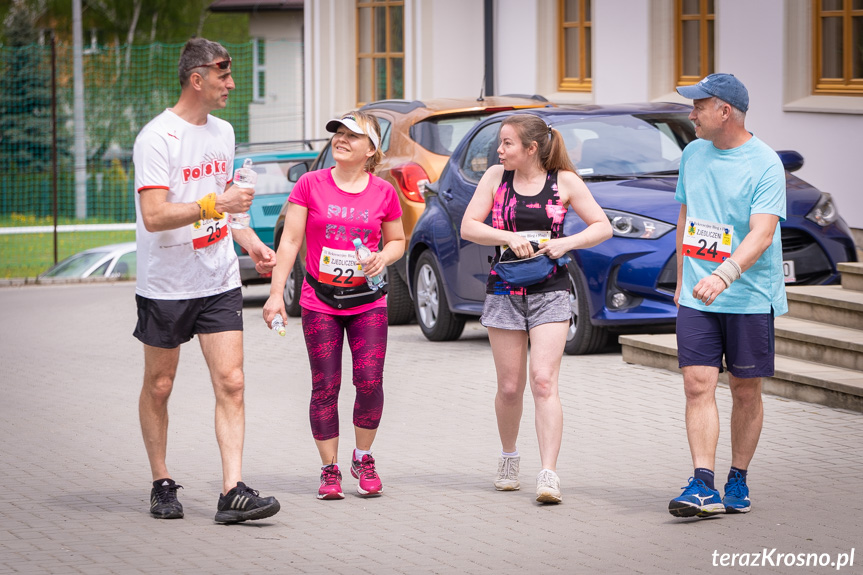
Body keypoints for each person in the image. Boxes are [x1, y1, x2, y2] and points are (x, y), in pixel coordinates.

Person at [132, 38, 281, 524]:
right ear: (197, 79)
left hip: (217, 278)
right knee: (159, 384)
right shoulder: (157, 138)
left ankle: (232, 490)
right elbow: (154, 216)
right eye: (223, 76)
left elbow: (227, 206)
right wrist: (216, 206)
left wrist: (252, 243)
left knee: (233, 382)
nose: (232, 85)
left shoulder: (223, 133)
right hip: (166, 285)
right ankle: (161, 482)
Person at [461, 114, 612, 503]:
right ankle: (509, 457)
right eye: (501, 143)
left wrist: (568, 243)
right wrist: (508, 236)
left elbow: (602, 226)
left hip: (551, 290)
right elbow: (469, 227)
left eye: (507, 143)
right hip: (505, 289)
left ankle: (548, 474)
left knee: (543, 381)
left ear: (531, 148)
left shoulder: (563, 182)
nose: (500, 149)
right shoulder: (495, 178)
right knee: (510, 387)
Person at [263, 111, 405, 500]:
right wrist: (277, 294)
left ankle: (364, 456)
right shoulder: (310, 184)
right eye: (337, 133)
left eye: (352, 135)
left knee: (370, 381)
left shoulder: (384, 192)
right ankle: (329, 469)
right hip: (320, 301)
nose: (341, 139)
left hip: (368, 302)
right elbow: (290, 242)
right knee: (326, 385)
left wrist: (383, 257)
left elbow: (397, 241)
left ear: (371, 149)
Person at [668, 73, 787, 518]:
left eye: (698, 105)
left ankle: (738, 476)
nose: (691, 113)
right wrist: (683, 280)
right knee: (697, 384)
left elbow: (762, 233)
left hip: (748, 295)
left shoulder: (765, 164)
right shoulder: (693, 153)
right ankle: (702, 483)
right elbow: (686, 218)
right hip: (699, 295)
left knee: (744, 390)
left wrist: (725, 274)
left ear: (725, 112)